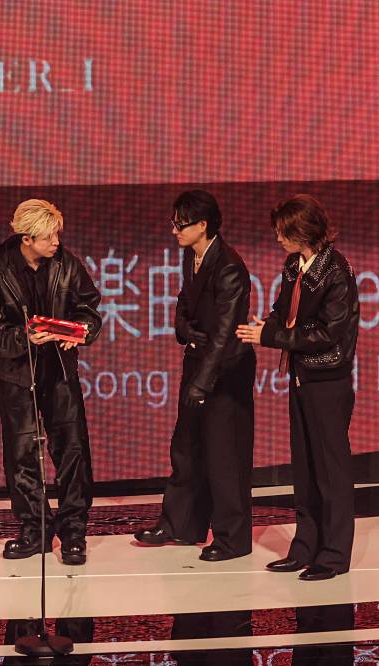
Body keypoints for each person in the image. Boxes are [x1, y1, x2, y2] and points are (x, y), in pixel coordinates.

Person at [236, 194, 359, 581]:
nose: (277, 238)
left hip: (328, 380)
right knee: (304, 468)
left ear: (302, 231)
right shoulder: (294, 266)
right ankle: (305, 546)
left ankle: (334, 554)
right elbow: (282, 311)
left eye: (283, 231)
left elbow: (326, 334)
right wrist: (267, 326)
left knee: (331, 471)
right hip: (302, 376)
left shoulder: (336, 271)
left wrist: (271, 336)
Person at [0, 199, 102, 565]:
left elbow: (89, 307)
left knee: (73, 451)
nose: (56, 242)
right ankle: (35, 530)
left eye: (57, 234)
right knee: (22, 455)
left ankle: (74, 533)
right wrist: (24, 337)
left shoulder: (67, 265)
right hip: (17, 376)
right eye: (48, 237)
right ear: (26, 238)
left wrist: (81, 330)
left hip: (60, 371)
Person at [134, 189, 256, 562]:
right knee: (186, 447)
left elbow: (224, 334)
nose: (174, 230)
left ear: (203, 225)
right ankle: (180, 524)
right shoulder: (192, 255)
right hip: (198, 360)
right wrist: (183, 327)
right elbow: (185, 300)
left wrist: (202, 383)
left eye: (180, 224)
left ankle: (232, 538)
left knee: (224, 455)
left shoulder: (229, 266)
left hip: (225, 369)